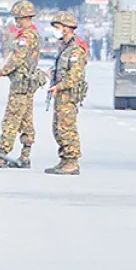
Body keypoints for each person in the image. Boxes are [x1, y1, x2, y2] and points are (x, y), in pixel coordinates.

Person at [0, 0, 44, 168]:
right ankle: (25, 156)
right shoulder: (33, 34)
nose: (17, 21)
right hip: (27, 83)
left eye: (19, 18)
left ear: (26, 17)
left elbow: (15, 60)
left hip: (21, 84)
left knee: (11, 119)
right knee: (26, 120)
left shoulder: (26, 37)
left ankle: (1, 156)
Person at [45, 13, 89, 175]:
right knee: (58, 127)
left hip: (68, 94)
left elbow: (74, 75)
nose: (55, 31)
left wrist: (60, 86)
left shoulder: (76, 49)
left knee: (67, 127)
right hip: (61, 92)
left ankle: (72, 161)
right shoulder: (65, 47)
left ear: (66, 28)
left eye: (57, 28)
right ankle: (64, 159)